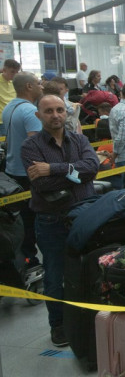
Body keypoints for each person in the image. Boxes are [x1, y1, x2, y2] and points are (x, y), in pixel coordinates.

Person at [21, 95, 99, 347]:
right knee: (55, 276)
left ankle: (90, 320)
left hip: (85, 215)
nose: (55, 115)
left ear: (66, 113)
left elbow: (92, 168)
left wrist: (55, 168)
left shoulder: (80, 139)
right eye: (48, 111)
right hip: (51, 221)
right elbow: (42, 184)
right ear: (38, 116)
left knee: (90, 270)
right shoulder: (30, 147)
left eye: (59, 110)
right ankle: (59, 325)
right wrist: (75, 173)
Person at [3, 72, 43, 269]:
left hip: (13, 172)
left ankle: (19, 258)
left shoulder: (10, 107)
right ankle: (31, 260)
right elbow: (34, 147)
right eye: (37, 83)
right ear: (28, 86)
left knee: (19, 222)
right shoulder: (30, 111)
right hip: (29, 174)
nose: (41, 86)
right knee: (31, 222)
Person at [0, 59, 21, 135]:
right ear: (4, 70)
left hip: (13, 119)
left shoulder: (15, 83)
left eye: (17, 72)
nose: (15, 74)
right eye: (12, 72)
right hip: (1, 121)